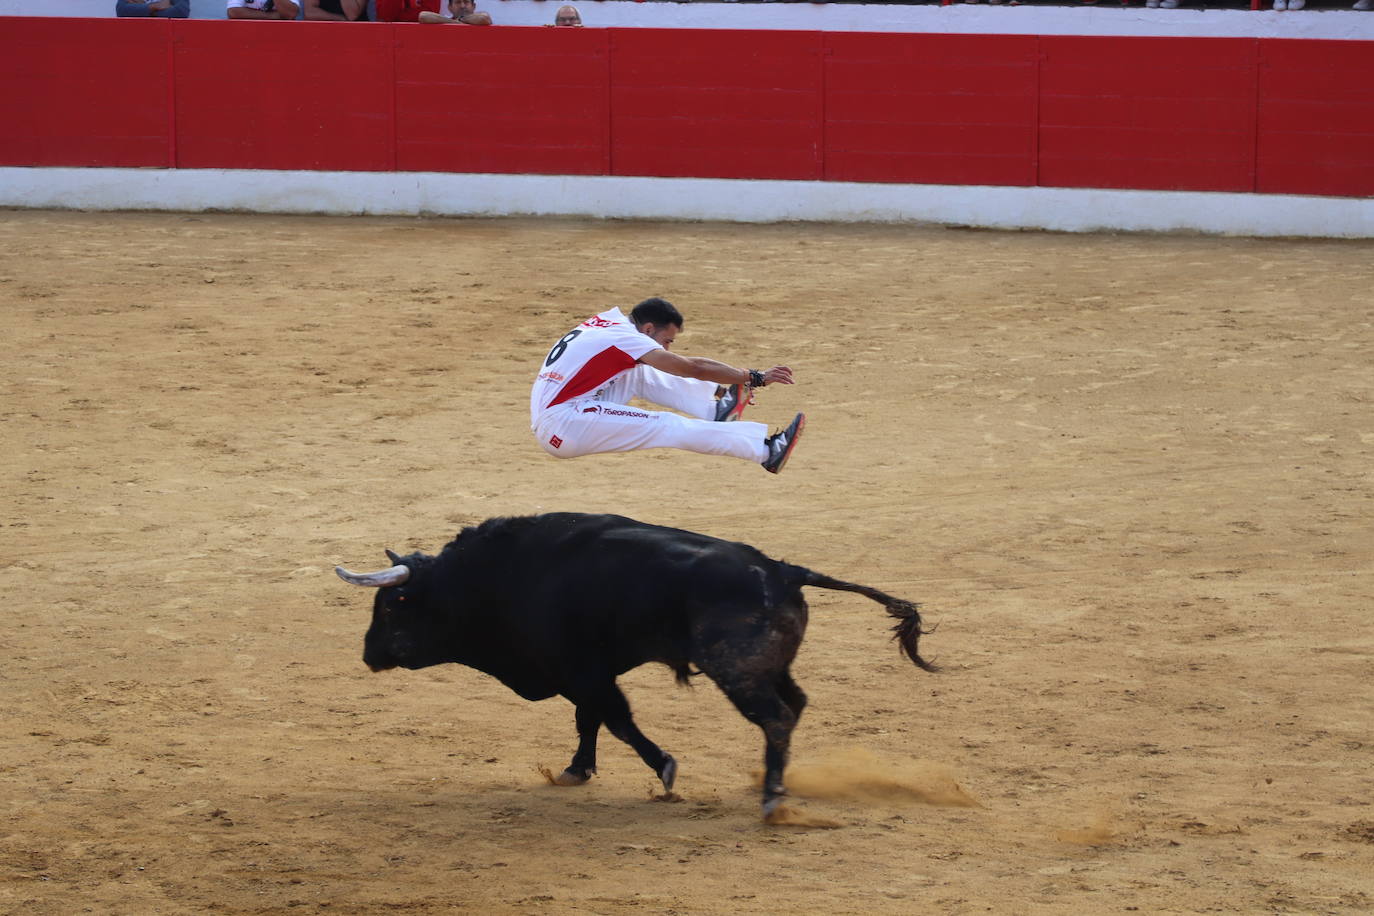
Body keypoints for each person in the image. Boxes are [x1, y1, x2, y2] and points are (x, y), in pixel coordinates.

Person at [530, 298, 805, 474]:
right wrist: (752, 376)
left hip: (565, 410)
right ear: (648, 329)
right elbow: (691, 367)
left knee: (636, 371)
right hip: (565, 425)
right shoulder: (627, 338)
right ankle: (767, 451)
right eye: (667, 340)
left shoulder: (611, 322)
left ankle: (717, 407)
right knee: (666, 425)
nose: (666, 346)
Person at [418, 0, 491, 25]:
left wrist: (458, 20)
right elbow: (423, 16)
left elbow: (484, 18)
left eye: (466, 2)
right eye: (458, 2)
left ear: (473, 6)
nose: (462, 6)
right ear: (450, 7)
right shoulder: (443, 19)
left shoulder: (480, 18)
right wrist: (455, 22)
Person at [226, 0, 299, 18]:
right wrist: (274, 16)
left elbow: (290, 14)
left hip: (281, 32)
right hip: (249, 31)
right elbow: (233, 12)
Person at [303, 0, 368, 19]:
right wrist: (338, 18)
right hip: (325, 31)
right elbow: (308, 12)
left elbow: (352, 15)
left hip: (355, 32)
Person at [115, 0, 190, 16]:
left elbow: (181, 11)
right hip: (135, 38)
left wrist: (140, 9)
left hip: (164, 37)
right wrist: (153, 7)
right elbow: (121, 10)